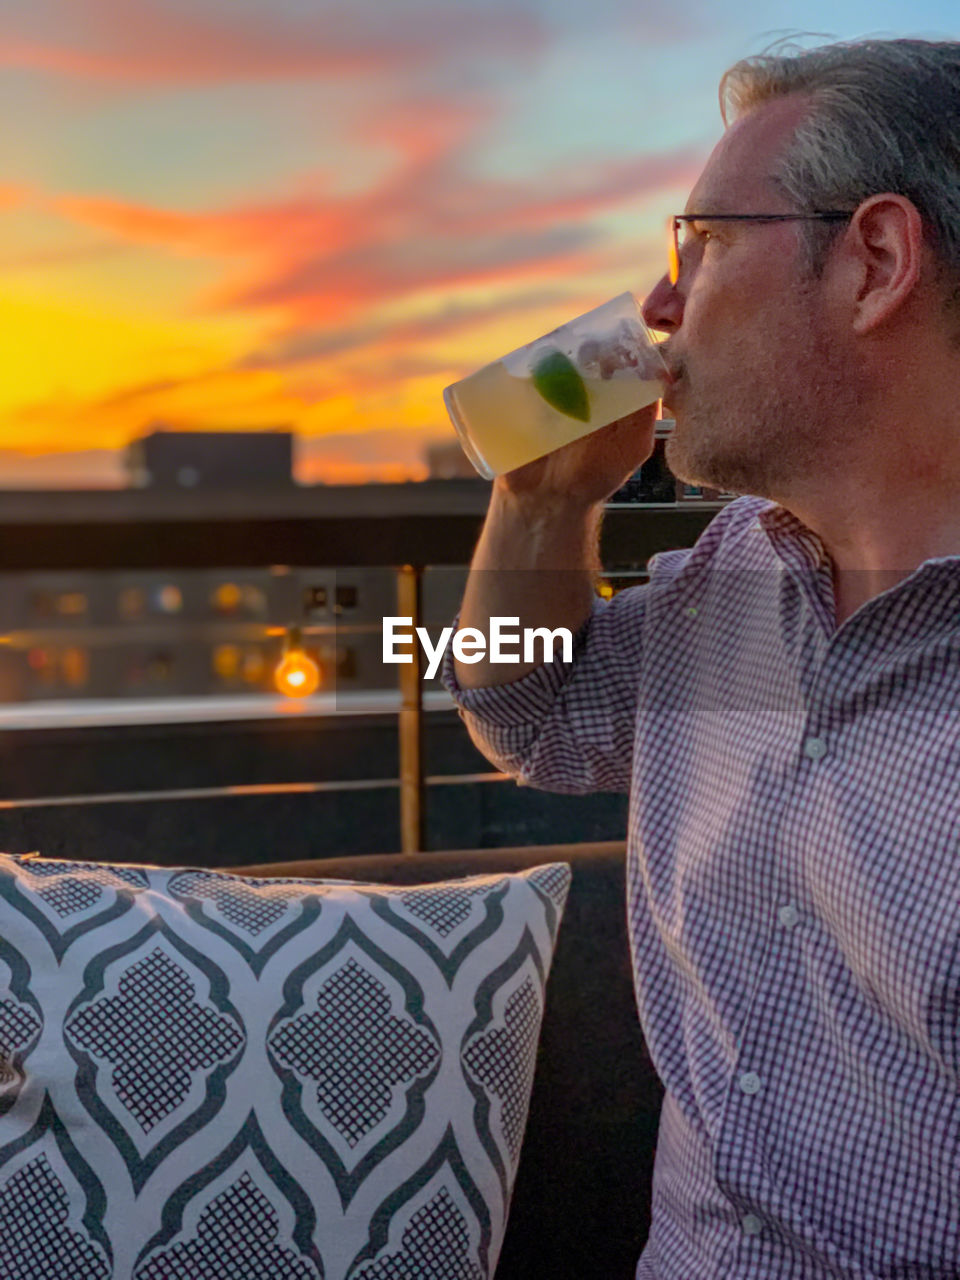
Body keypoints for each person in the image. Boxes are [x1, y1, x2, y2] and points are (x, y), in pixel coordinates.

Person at [440, 37, 960, 1279]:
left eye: (703, 244)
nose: (659, 309)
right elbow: (525, 708)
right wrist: (541, 502)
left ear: (876, 262)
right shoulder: (734, 574)